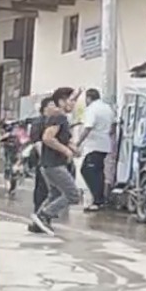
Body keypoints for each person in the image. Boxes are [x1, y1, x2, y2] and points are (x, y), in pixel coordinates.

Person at [31, 87, 82, 236]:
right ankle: (44, 215)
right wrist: (65, 151)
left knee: (54, 194)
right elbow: (47, 138)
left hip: (50, 164)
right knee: (73, 194)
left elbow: (62, 139)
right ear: (61, 101)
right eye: (71, 101)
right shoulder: (59, 116)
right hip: (54, 164)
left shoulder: (60, 117)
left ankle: (37, 224)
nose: (73, 104)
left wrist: (73, 148)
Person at [77, 88, 115, 212]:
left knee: (87, 171)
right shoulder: (108, 108)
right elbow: (113, 126)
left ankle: (98, 200)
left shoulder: (92, 109)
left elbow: (88, 127)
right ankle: (99, 199)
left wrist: (78, 142)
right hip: (105, 145)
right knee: (98, 172)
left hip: (94, 145)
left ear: (88, 98)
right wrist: (106, 134)